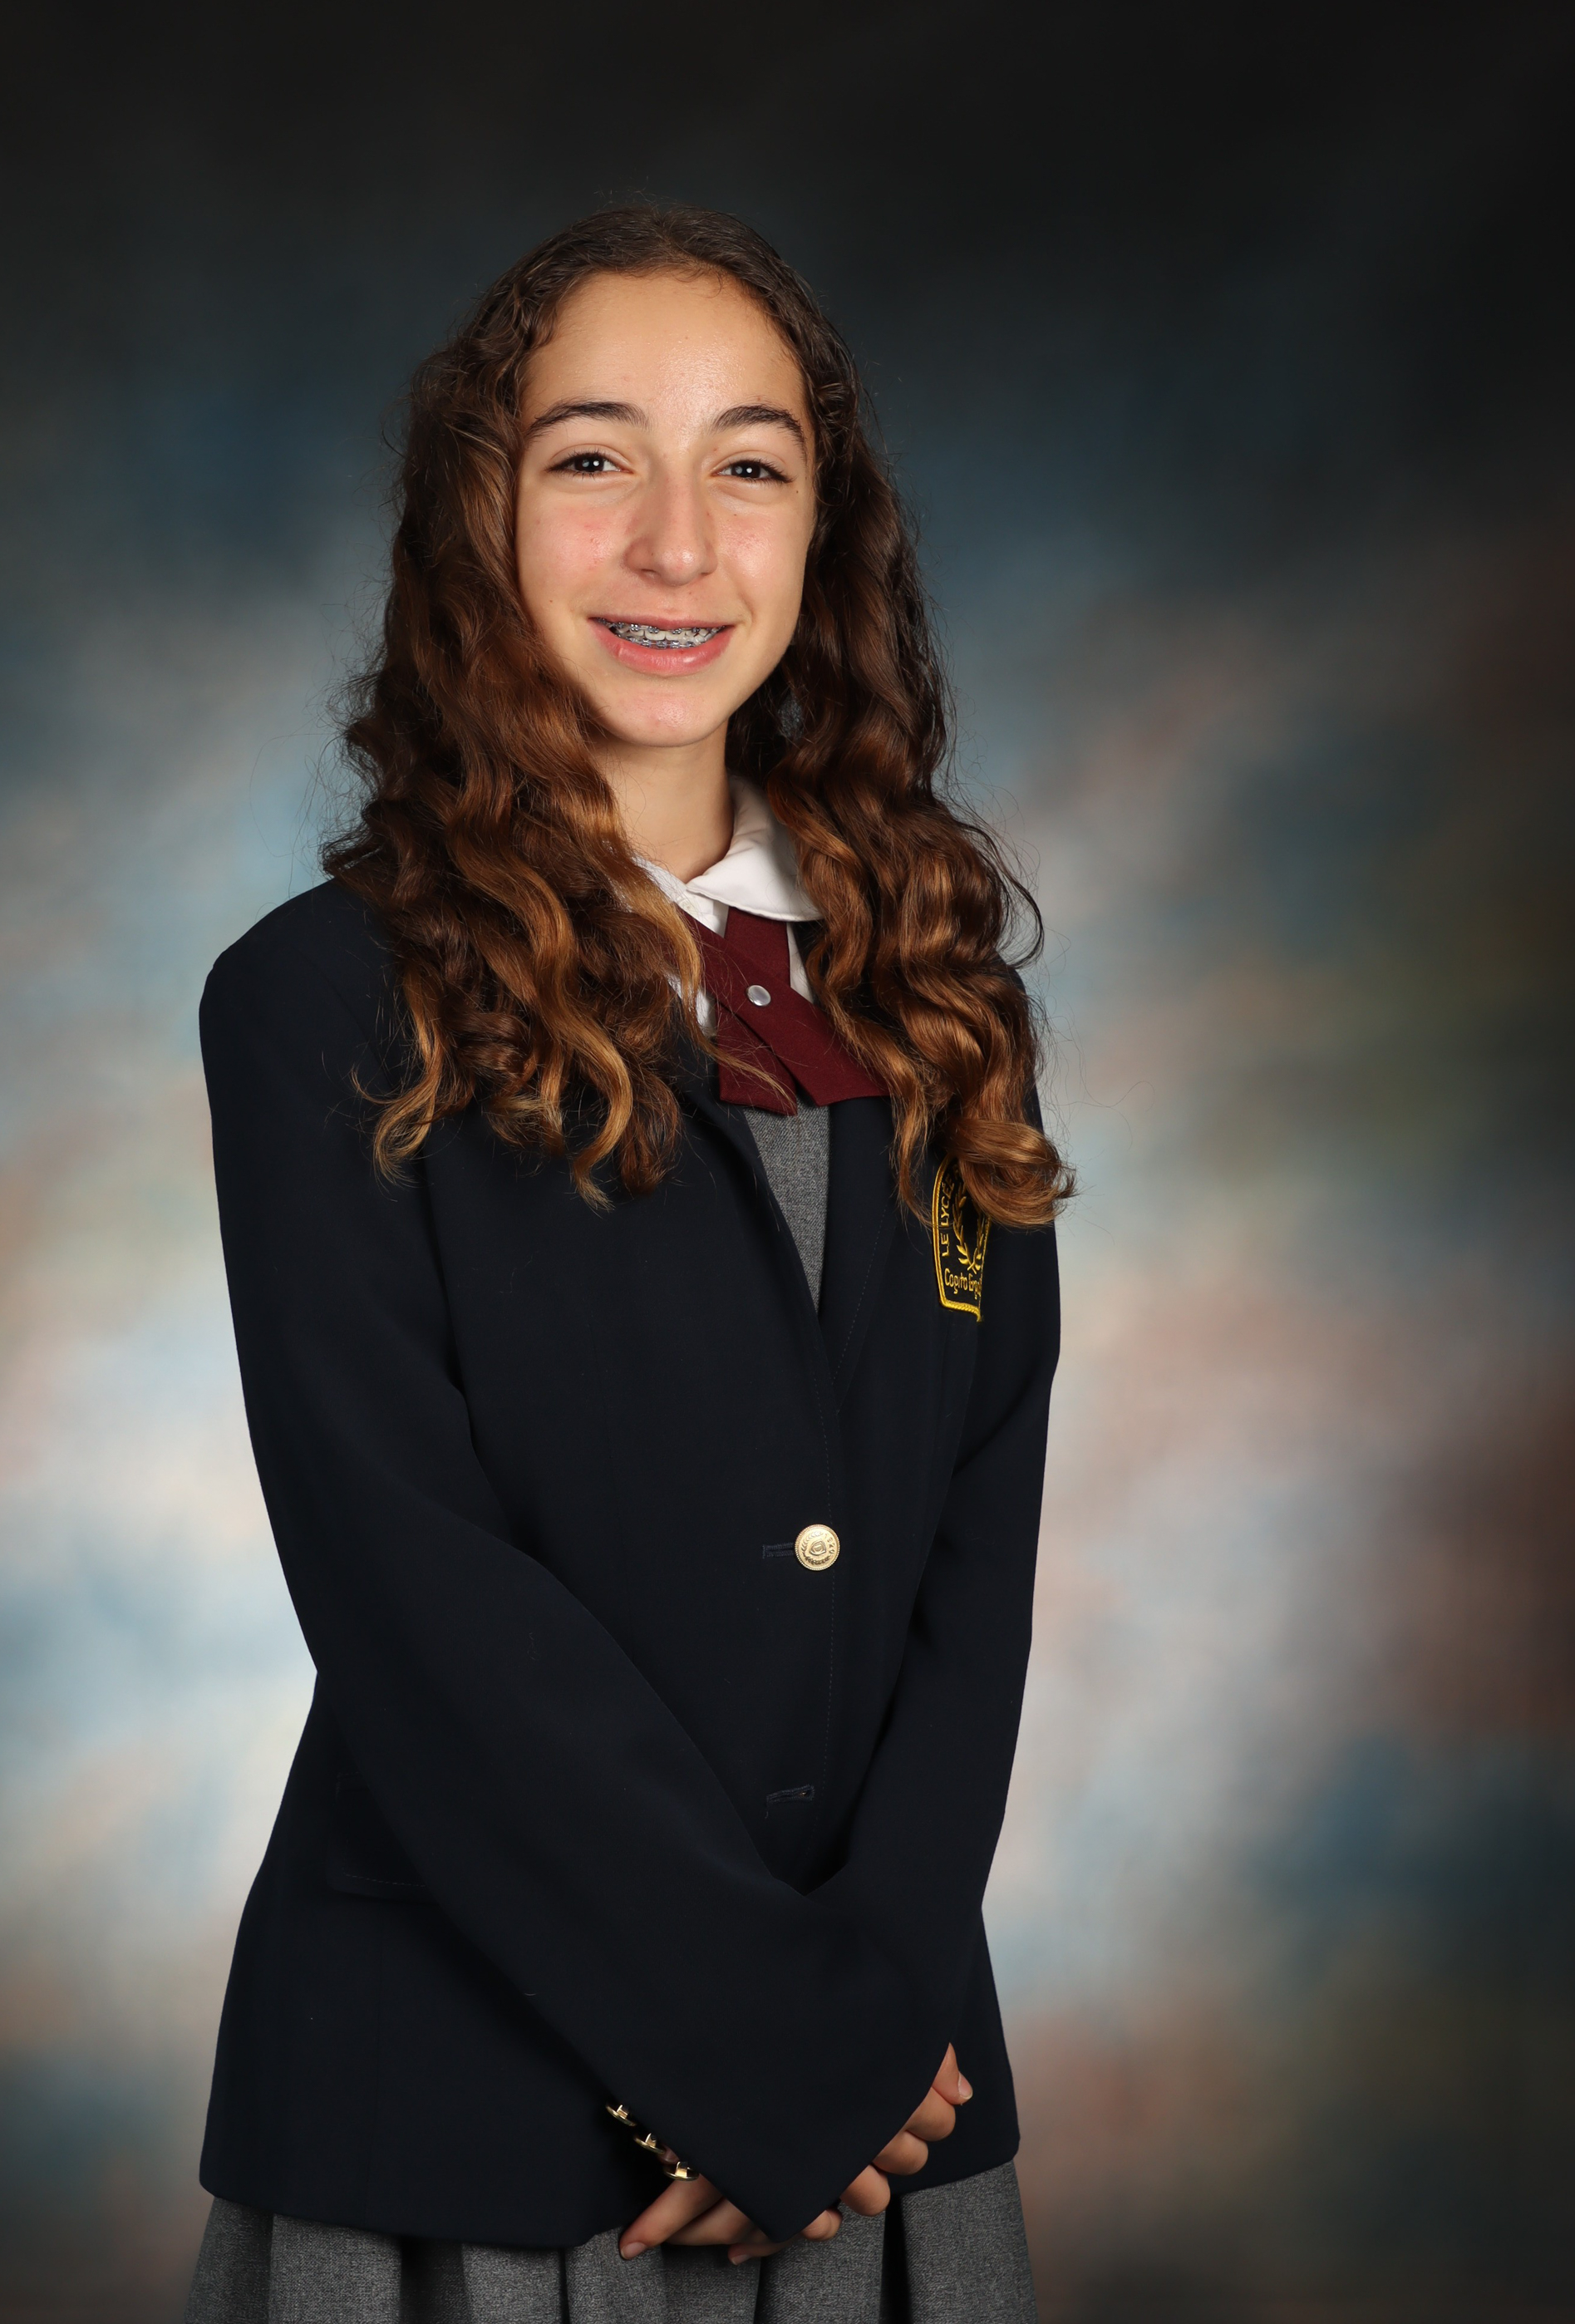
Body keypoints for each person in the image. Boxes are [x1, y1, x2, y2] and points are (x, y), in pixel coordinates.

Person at [183, 204, 1069, 2324]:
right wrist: (760, 2055)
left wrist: (857, 2023)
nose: (677, 541)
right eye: (594, 456)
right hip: (473, 2109)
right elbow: (418, 1595)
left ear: (821, 535)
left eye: (749, 463)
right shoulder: (321, 999)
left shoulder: (930, 992)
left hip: (884, 2091)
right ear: (478, 516)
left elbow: (970, 1562)